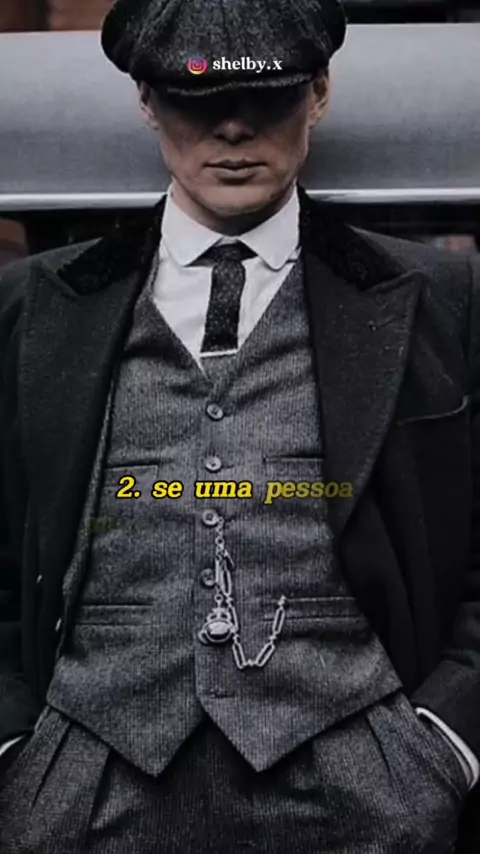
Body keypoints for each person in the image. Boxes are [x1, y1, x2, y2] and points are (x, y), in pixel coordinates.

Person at [0, 0, 479, 850]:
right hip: (86, 798)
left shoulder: (441, 301)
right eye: (197, 100)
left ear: (319, 93)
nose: (232, 128)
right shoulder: (34, 305)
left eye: (268, 97)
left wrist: (444, 743)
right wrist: (14, 750)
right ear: (147, 102)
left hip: (364, 800)